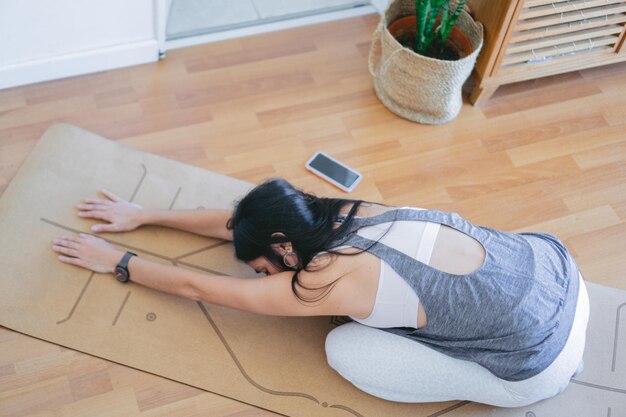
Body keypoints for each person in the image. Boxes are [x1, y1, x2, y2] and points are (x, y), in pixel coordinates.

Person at [51, 178, 589, 407]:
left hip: (544, 362)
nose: (262, 278)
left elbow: (199, 285)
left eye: (261, 267)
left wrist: (119, 262)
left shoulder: (327, 277)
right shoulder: (352, 211)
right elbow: (241, 223)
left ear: (286, 249)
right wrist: (144, 215)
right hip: (562, 274)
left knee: (346, 348)